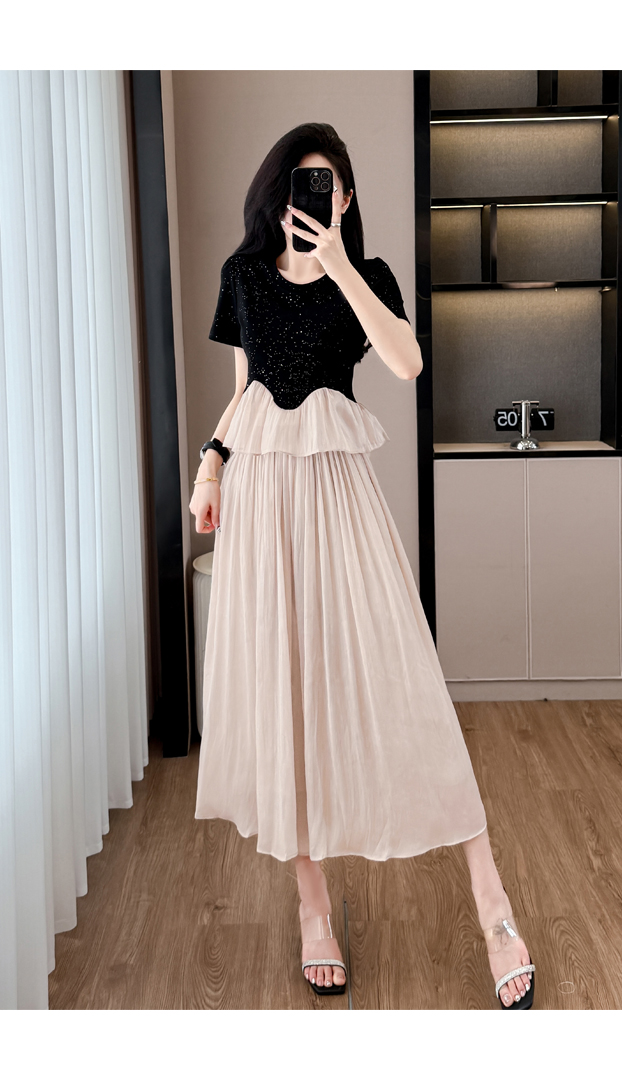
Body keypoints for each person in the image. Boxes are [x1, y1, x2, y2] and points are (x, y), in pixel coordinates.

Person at [190, 122, 536, 1009]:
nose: (313, 197)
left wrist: (339, 264)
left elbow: (408, 362)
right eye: (300, 183)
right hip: (262, 505)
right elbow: (244, 393)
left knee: (404, 681)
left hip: (340, 500)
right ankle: (314, 910)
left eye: (329, 184)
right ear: (278, 194)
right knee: (285, 697)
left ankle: (493, 906)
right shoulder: (242, 278)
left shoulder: (368, 277)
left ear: (345, 198)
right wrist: (210, 466)